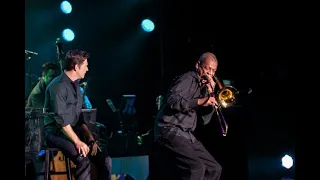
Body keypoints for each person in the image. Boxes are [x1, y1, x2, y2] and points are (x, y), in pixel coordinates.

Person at [152, 52, 222, 180]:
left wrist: (211, 98)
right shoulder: (187, 79)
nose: (210, 74)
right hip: (168, 128)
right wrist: (200, 101)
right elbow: (171, 101)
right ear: (198, 65)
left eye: (213, 71)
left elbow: (204, 121)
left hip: (186, 134)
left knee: (214, 169)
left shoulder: (205, 88)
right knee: (196, 167)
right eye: (207, 68)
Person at [43, 49, 110, 180]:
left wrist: (90, 139)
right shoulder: (57, 87)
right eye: (85, 66)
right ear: (76, 66)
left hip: (72, 130)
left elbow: (79, 118)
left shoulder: (76, 86)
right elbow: (61, 121)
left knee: (104, 159)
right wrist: (78, 142)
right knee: (83, 159)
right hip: (56, 132)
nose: (87, 69)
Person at [25, 62, 60, 180]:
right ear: (43, 76)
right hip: (34, 132)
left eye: (56, 77)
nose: (53, 80)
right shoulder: (37, 94)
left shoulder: (52, 89)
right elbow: (45, 117)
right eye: (51, 77)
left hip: (45, 128)